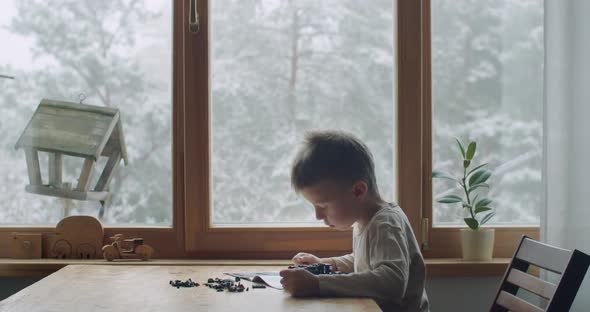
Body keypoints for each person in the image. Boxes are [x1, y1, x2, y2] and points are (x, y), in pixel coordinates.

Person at [279, 130, 430, 312]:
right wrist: (326, 264)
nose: (318, 216)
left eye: (323, 205)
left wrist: (318, 283)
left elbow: (393, 282)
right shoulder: (365, 220)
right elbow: (364, 261)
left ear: (358, 191)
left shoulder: (385, 223)